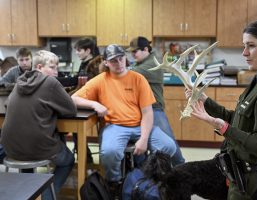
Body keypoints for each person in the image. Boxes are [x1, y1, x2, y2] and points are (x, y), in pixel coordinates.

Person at [186, 20, 257, 199]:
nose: (244, 53)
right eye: (244, 46)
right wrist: (205, 100)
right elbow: (239, 120)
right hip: (242, 177)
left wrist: (223, 128)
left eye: (251, 46)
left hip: (256, 185)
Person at [71, 44, 176, 197]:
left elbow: (147, 113)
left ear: (125, 58)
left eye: (121, 59)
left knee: (168, 147)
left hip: (141, 125)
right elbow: (74, 99)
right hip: (115, 126)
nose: (119, 63)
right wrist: (94, 104)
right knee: (109, 152)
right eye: (113, 61)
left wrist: (144, 139)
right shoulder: (100, 80)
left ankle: (147, 179)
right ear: (106, 62)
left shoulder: (138, 79)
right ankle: (116, 184)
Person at [0, 50, 77, 200]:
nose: (57, 72)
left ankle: (28, 194)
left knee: (27, 154)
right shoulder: (50, 82)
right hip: (37, 147)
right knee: (68, 160)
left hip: (11, 148)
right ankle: (46, 196)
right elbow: (71, 110)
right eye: (53, 67)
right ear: (40, 67)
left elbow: (8, 105)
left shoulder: (20, 82)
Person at [127, 36, 185, 166]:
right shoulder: (141, 62)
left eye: (135, 51)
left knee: (169, 143)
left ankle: (181, 167)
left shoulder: (152, 64)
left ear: (146, 49)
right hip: (143, 109)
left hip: (154, 108)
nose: (132, 55)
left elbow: (129, 74)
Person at [73, 37, 102, 163]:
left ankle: (84, 158)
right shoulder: (84, 63)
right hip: (85, 100)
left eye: (79, 50)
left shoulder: (95, 65)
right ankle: (84, 156)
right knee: (74, 126)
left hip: (94, 103)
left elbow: (91, 88)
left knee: (75, 124)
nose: (77, 53)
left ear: (88, 50)